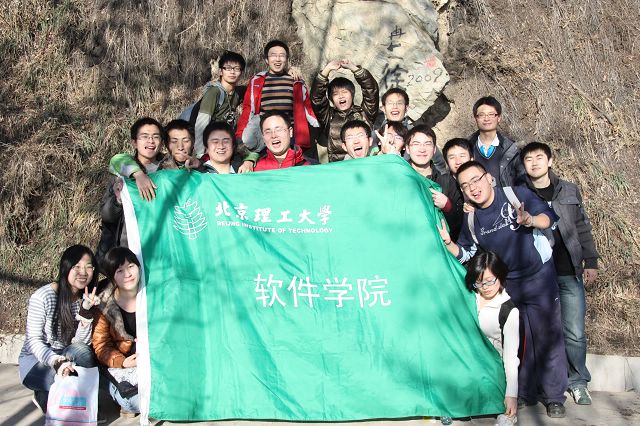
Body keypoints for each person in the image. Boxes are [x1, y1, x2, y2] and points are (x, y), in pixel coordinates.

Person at [438, 161, 568, 418]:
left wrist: (530, 219)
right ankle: (525, 392)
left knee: (547, 334)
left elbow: (548, 217)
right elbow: (467, 252)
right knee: (518, 340)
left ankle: (554, 396)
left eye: (476, 180)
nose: (473, 188)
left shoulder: (514, 195)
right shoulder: (471, 218)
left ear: (489, 178)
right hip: (508, 285)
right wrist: (449, 243)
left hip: (539, 278)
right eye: (465, 185)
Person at [521, 142, 599, 405]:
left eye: (539, 158)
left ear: (550, 161)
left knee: (574, 331)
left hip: (567, 269)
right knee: (541, 331)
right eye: (528, 159)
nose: (534, 163)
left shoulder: (569, 189)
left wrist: (591, 260)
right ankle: (543, 383)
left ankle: (578, 382)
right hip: (537, 274)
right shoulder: (519, 193)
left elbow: (582, 226)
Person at [18, 245, 100, 412]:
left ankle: (47, 395)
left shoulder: (86, 298)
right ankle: (48, 394)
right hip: (36, 363)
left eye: (88, 267)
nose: (83, 272)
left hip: (67, 355)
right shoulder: (42, 297)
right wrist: (57, 362)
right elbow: (34, 340)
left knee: (81, 357)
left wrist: (85, 311)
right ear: (65, 267)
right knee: (69, 380)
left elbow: (81, 345)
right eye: (77, 266)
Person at [96, 117, 166, 263]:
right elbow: (107, 215)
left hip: (164, 246)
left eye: (155, 137)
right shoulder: (122, 172)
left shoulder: (170, 168)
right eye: (144, 136)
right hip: (129, 250)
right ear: (134, 142)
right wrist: (118, 200)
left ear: (162, 142)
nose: (151, 141)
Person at [235, 40, 318, 154]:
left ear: (287, 59)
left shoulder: (296, 81)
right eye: (273, 55)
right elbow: (248, 109)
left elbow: (307, 108)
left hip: (290, 136)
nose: (278, 59)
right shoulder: (257, 81)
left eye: (282, 55)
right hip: (264, 135)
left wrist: (316, 129)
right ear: (266, 59)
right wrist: (239, 135)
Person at [465, 251, 519, 426]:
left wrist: (511, 395)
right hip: (467, 364)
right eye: (479, 282)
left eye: (490, 280)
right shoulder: (469, 298)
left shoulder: (508, 311)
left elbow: (511, 357)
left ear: (500, 276)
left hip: (491, 370)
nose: (485, 287)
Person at [93, 247, 142, 417]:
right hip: (121, 366)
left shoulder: (151, 296)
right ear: (112, 276)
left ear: (139, 267)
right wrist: (123, 362)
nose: (127, 274)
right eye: (120, 271)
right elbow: (101, 345)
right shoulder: (104, 305)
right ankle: (121, 397)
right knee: (137, 402)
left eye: (131, 266)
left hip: (150, 362)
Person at [311, 59, 379, 163]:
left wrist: (354, 69)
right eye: (336, 94)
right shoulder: (328, 116)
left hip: (366, 164)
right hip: (339, 168)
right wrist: (327, 70)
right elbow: (317, 98)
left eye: (344, 92)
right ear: (331, 99)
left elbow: (371, 91)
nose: (341, 96)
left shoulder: (364, 112)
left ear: (352, 94)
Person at [181, 51, 246, 157]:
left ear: (241, 72)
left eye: (237, 68)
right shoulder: (214, 92)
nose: (232, 72)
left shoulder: (237, 92)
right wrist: (200, 154)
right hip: (200, 142)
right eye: (228, 68)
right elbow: (202, 123)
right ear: (220, 71)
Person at [405, 125, 463, 240]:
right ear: (407, 148)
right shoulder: (400, 179)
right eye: (416, 144)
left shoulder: (447, 182)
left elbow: (460, 225)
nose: (422, 149)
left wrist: (448, 206)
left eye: (427, 144)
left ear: (434, 149)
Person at [468, 96, 525, 187]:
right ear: (475, 118)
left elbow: (522, 180)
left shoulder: (512, 149)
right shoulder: (466, 148)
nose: (486, 119)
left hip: (507, 195)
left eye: (491, 114)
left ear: (499, 118)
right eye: (482, 115)